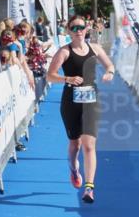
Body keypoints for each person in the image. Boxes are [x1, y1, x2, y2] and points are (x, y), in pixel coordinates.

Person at [46, 15, 115, 204]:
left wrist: (109, 72)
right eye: (74, 28)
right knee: (75, 144)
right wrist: (67, 79)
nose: (78, 31)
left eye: (81, 27)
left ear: (87, 29)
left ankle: (89, 188)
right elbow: (49, 76)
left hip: (91, 100)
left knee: (89, 145)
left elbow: (110, 65)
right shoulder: (64, 52)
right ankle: (74, 170)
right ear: (68, 31)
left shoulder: (95, 49)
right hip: (70, 102)